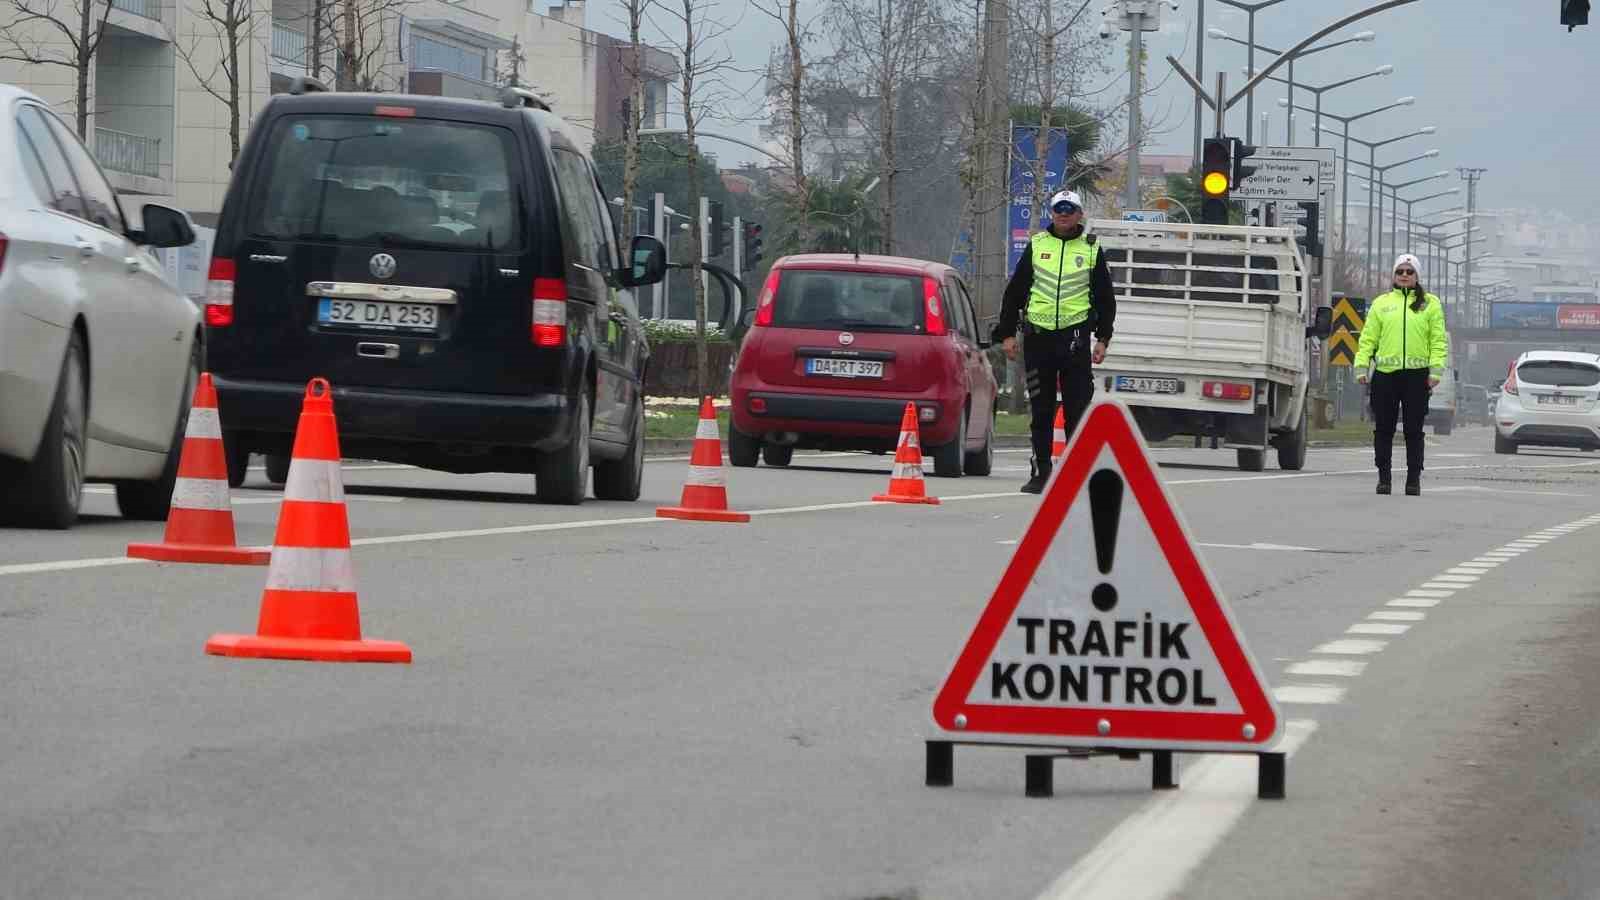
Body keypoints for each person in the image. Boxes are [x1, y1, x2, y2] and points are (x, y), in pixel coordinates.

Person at [994, 189, 1116, 494]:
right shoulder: (1037, 245)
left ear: (1079, 215)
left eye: (1069, 209)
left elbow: (1105, 298)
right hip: (1038, 341)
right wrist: (1007, 334)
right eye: (1058, 209)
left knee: (1077, 410)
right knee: (1042, 410)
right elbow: (1015, 293)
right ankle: (1041, 472)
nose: (1063, 214)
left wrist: (1103, 337)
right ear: (1052, 213)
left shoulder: (1090, 249)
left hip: (1074, 341)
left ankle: (1076, 474)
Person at [1354, 253, 1450, 496]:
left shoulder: (1430, 303)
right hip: (1386, 375)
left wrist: (1436, 370)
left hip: (1417, 377)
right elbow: (1368, 338)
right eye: (1400, 272)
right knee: (1383, 429)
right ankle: (1383, 479)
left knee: (1413, 430)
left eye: (1409, 272)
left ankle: (1413, 480)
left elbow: (1437, 340)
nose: (1404, 276)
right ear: (1394, 275)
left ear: (1417, 276)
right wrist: (1361, 366)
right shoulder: (1381, 303)